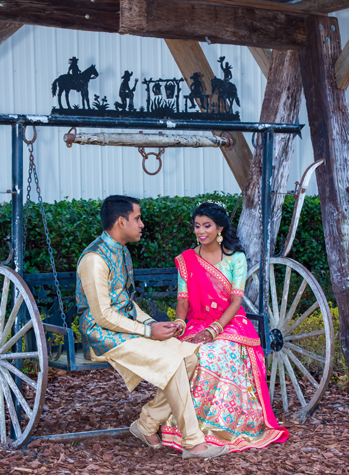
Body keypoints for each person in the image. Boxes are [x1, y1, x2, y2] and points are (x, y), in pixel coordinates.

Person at [76, 195, 229, 459]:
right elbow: (102, 315)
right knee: (170, 364)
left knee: (189, 356)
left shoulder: (121, 252)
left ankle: (145, 424)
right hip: (102, 336)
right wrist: (148, 332)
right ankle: (194, 443)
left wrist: (152, 323)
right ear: (121, 221)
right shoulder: (94, 259)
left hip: (126, 330)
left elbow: (126, 301)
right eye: (137, 218)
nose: (142, 224)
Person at [161, 201, 289, 452]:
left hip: (231, 323)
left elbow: (236, 300)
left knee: (214, 354)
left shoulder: (235, 258)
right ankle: (185, 426)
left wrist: (214, 330)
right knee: (186, 353)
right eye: (197, 226)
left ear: (219, 228)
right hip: (197, 323)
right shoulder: (186, 260)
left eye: (206, 226)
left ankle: (223, 426)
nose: (200, 231)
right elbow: (183, 299)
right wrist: (179, 322)